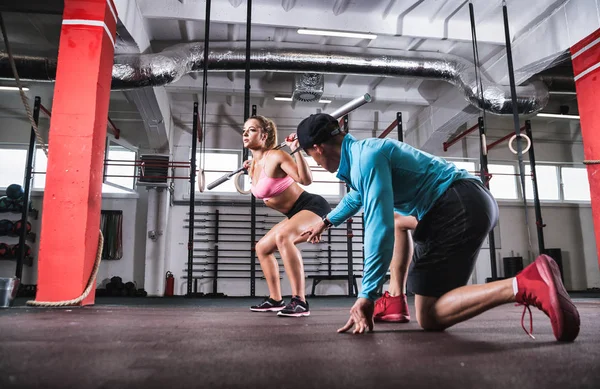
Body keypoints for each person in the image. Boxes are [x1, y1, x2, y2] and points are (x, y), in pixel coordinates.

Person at [297, 113, 580, 340]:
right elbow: (357, 197)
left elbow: (377, 227)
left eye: (310, 157)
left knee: (430, 314)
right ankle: (396, 299)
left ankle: (524, 284)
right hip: (470, 201)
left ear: (318, 149)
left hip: (455, 205)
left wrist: (366, 294)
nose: (316, 163)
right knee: (401, 227)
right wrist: (326, 221)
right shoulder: (362, 154)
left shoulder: (367, 159)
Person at [242, 115, 331, 317]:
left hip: (312, 206)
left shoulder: (276, 156)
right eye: (244, 130)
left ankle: (300, 301)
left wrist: (295, 150)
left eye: (252, 130)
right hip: (294, 214)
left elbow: (306, 180)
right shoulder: (254, 165)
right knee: (262, 247)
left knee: (284, 238)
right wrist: (251, 167)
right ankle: (275, 300)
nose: (246, 133)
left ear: (264, 136)